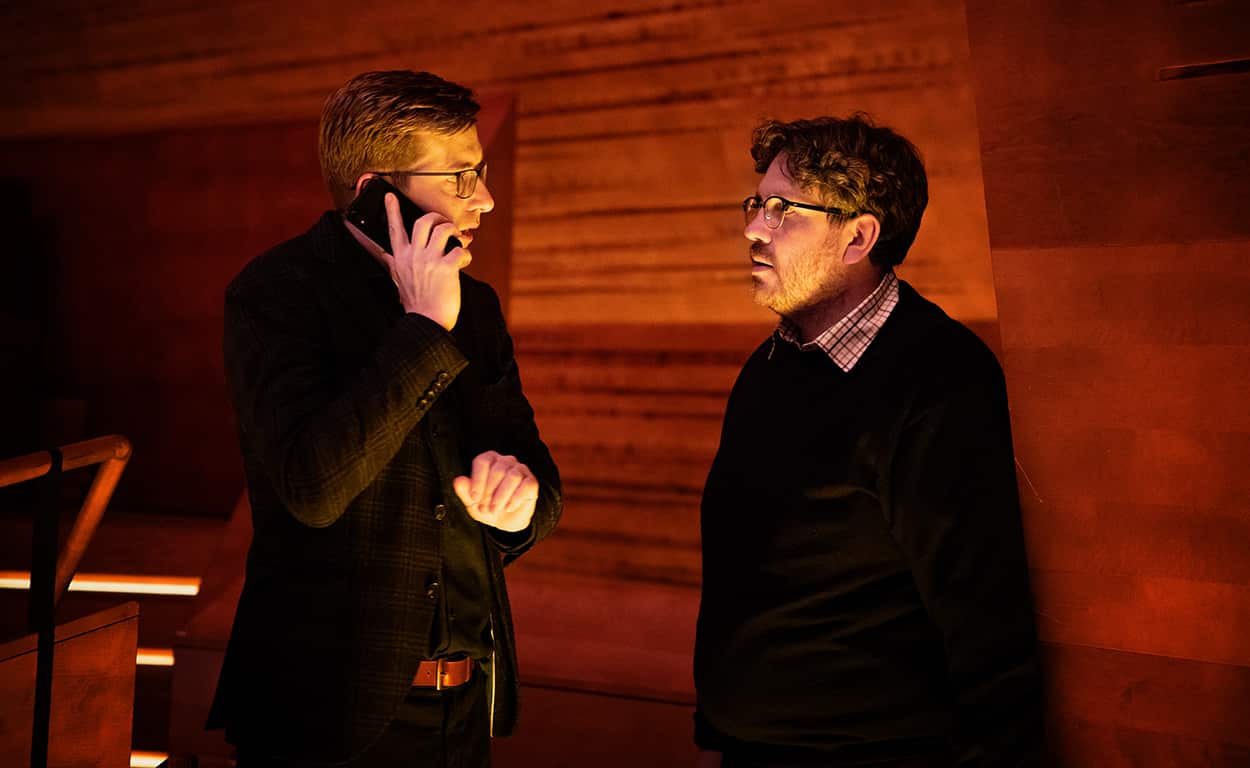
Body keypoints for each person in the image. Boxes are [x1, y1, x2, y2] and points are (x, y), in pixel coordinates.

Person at [207, 70, 562, 768]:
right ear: (375, 193)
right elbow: (313, 484)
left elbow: (539, 479)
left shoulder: (478, 306)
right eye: (459, 178)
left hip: (463, 709)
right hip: (326, 716)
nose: (484, 199)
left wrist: (518, 502)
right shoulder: (277, 294)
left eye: (480, 171)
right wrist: (426, 327)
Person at [693, 115, 1044, 767]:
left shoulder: (940, 380)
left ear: (858, 236)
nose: (752, 227)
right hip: (750, 748)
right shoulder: (768, 367)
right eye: (756, 203)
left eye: (781, 209)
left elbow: (986, 624)